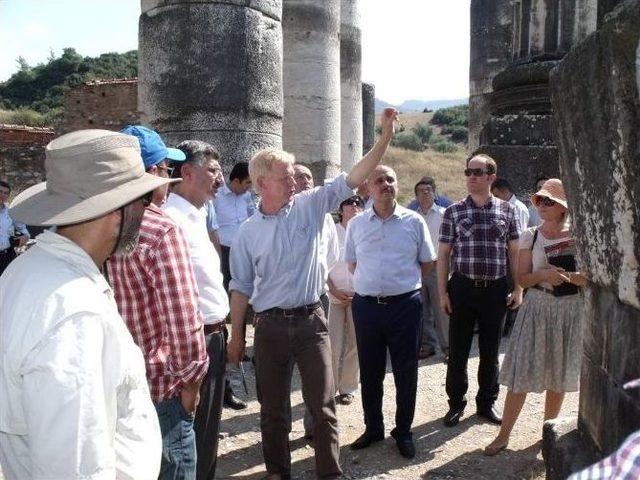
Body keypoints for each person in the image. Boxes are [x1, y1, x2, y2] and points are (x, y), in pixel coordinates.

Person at [227, 107, 398, 480]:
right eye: (284, 177)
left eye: (292, 176)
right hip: (269, 327)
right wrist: (237, 334)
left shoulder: (310, 205)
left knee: (323, 406)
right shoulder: (246, 234)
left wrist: (383, 137)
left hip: (311, 321)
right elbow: (240, 286)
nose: (293, 183)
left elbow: (353, 176)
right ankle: (277, 473)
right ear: (260, 183)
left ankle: (330, 474)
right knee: (272, 411)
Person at [0, 129, 167, 479]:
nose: (147, 212)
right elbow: (75, 465)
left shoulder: (27, 270)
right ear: (118, 211)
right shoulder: (74, 312)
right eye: (144, 201)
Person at [106, 125, 209, 479]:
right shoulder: (160, 230)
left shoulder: (98, 223)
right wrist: (191, 386)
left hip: (114, 386)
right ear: (151, 173)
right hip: (160, 390)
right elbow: (183, 322)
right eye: (167, 170)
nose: (169, 179)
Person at [484, 178, 586, 455]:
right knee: (521, 373)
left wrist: (577, 279)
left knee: (558, 374)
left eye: (548, 201)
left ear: (563, 207)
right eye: (539, 199)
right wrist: (545, 275)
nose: (541, 205)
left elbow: (590, 278)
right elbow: (522, 279)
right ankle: (503, 435)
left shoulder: (580, 235)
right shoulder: (531, 234)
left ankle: (547, 435)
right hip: (538, 306)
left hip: (568, 309)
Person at [345, 165, 436, 459]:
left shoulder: (414, 222)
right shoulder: (357, 225)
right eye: (379, 180)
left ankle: (404, 431)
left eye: (391, 179)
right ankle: (373, 428)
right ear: (368, 188)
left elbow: (427, 263)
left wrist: (399, 284)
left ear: (398, 185)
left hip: (405, 307)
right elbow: (352, 264)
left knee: (405, 371)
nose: (385, 184)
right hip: (367, 307)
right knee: (370, 371)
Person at [438, 154, 523, 428]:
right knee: (459, 350)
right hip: (462, 287)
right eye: (468, 172)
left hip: (495, 290)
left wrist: (518, 288)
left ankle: (486, 403)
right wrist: (443, 293)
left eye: (478, 172)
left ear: (491, 177)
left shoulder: (507, 211)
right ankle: (455, 404)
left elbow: (514, 253)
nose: (471, 176)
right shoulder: (453, 211)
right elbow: (443, 256)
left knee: (490, 350)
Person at [163, 140, 230, 480]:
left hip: (212, 336)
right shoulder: (172, 220)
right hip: (193, 341)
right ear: (187, 173)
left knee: (206, 430)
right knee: (192, 434)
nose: (220, 178)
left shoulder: (196, 214)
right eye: (213, 171)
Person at [293, 163, 340, 440]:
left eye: (309, 177)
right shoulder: (280, 214)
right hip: (286, 302)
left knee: (317, 366)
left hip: (318, 297)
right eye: (299, 176)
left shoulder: (325, 218)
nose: (305, 181)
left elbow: (332, 256)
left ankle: (313, 425)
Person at [327, 195, 363, 406]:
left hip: (358, 295)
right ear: (341, 208)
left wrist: (359, 291)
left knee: (355, 343)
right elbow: (322, 262)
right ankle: (328, 388)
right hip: (333, 295)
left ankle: (348, 387)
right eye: (350, 203)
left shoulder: (365, 231)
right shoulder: (331, 231)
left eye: (359, 203)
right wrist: (332, 288)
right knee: (332, 343)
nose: (355, 206)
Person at [414, 177, 449, 360]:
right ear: (416, 196)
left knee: (441, 308)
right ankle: (428, 345)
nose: (425, 192)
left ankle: (448, 347)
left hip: (438, 267)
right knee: (423, 309)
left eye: (428, 189)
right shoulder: (412, 217)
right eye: (420, 190)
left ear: (435, 193)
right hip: (418, 268)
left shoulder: (445, 214)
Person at [213, 162, 255, 291]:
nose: (250, 186)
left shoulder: (247, 197)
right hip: (224, 249)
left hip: (244, 248)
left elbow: (253, 217)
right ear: (236, 181)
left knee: (245, 284)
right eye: (247, 182)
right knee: (226, 284)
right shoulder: (216, 196)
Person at [0, 180, 30, 275]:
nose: (2, 195)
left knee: (6, 286)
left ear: (8, 196)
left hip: (6, 256)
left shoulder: (11, 211)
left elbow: (22, 229)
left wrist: (25, 236)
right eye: (0, 191)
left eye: (5, 193)